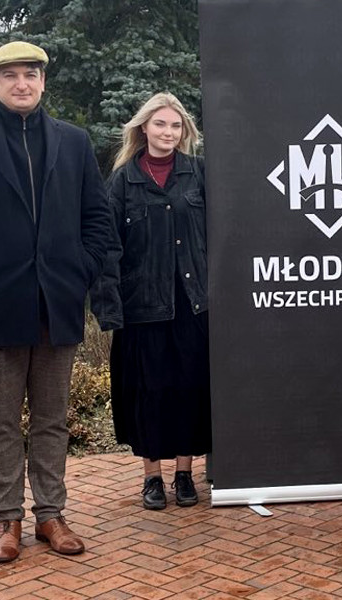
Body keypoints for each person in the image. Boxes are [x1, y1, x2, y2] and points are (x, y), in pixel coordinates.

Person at [0, 41, 117, 564]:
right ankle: (7, 518)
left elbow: (97, 219)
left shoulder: (74, 142)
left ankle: (51, 515)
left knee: (53, 419)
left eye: (30, 74)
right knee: (2, 421)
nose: (21, 84)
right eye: (10, 75)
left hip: (58, 305)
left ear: (42, 81)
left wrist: (80, 272)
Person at [93, 93, 211, 511]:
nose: (168, 132)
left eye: (176, 126)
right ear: (143, 128)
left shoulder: (199, 173)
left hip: (194, 305)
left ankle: (185, 473)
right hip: (142, 308)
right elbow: (107, 248)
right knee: (149, 394)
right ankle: (152, 477)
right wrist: (109, 308)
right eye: (160, 124)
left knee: (190, 389)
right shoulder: (122, 181)